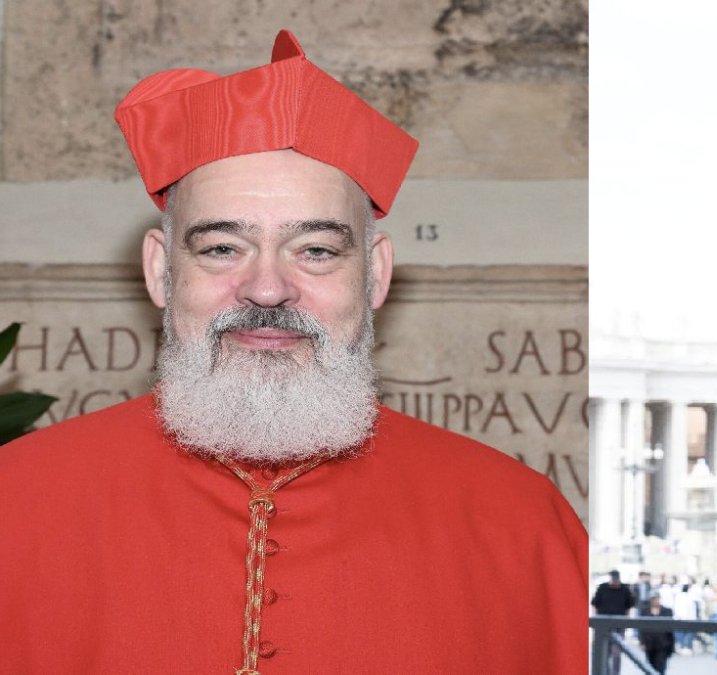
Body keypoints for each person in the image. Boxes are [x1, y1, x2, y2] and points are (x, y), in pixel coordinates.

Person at [0, 30, 586, 674]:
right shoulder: (15, 504)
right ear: (161, 270)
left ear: (377, 275)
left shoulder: (524, 526)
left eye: (317, 250)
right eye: (222, 247)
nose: (269, 287)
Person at [592, 569, 637, 674]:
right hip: (602, 625)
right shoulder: (602, 588)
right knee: (603, 651)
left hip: (619, 625)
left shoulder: (625, 589)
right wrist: (595, 620)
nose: (615, 583)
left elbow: (630, 606)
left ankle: (615, 673)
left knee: (616, 653)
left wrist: (627, 622)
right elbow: (595, 604)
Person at [638, 593, 675, 674]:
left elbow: (670, 630)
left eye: (657, 599)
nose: (655, 601)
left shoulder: (667, 611)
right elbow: (641, 628)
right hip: (649, 644)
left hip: (663, 644)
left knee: (661, 668)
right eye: (653, 599)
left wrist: (671, 646)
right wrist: (642, 642)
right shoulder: (644, 611)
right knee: (649, 668)